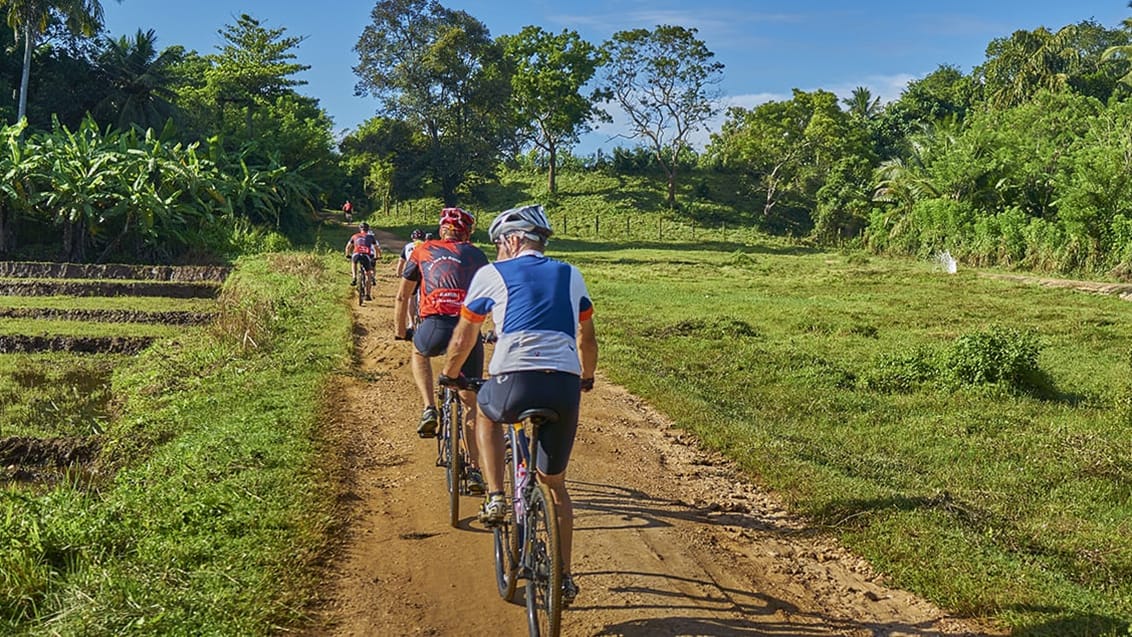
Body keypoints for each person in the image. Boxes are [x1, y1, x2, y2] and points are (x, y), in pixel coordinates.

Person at [438, 204, 597, 606]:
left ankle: (494, 494)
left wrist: (450, 374)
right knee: (555, 485)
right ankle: (563, 576)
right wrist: (587, 378)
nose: (497, 251)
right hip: (562, 384)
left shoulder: (491, 275)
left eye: (499, 243)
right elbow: (587, 339)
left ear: (512, 240)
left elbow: (463, 338)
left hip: (514, 381)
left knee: (488, 413)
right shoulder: (570, 274)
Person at [394, 208, 489, 493]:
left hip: (434, 325)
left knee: (419, 351)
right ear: (467, 233)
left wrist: (401, 332)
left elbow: (403, 295)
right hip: (467, 330)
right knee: (471, 403)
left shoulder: (423, 250)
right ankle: (474, 470)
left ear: (441, 229)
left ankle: (428, 409)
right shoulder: (477, 255)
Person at [396, 229, 428, 328]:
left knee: (411, 297)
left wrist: (398, 273)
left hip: (411, 273)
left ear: (412, 238)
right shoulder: (428, 246)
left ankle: (411, 323)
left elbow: (401, 262)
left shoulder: (408, 246)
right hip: (425, 272)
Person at [345, 222, 380, 300]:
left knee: (353, 263)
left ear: (360, 229)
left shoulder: (354, 236)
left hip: (356, 254)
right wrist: (376, 257)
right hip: (366, 255)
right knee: (368, 275)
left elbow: (347, 247)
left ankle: (354, 277)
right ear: (368, 229)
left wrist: (347, 255)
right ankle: (367, 295)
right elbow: (376, 248)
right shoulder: (371, 237)